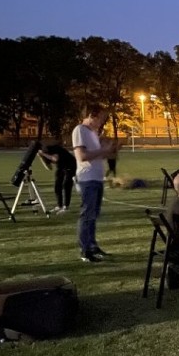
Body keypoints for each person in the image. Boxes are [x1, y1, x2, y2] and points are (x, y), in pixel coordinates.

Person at [72, 105, 118, 263]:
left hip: (97, 179)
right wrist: (103, 151)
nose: (102, 122)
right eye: (101, 118)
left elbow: (97, 156)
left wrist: (110, 151)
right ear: (92, 115)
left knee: (93, 216)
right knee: (87, 215)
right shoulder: (80, 130)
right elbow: (82, 156)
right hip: (87, 179)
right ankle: (85, 250)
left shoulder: (92, 133)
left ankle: (92, 245)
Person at [38, 143, 77, 213]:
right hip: (61, 166)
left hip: (70, 164)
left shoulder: (49, 148)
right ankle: (59, 206)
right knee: (57, 185)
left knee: (66, 185)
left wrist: (43, 154)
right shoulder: (44, 154)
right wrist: (41, 157)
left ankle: (66, 206)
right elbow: (49, 168)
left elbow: (55, 159)